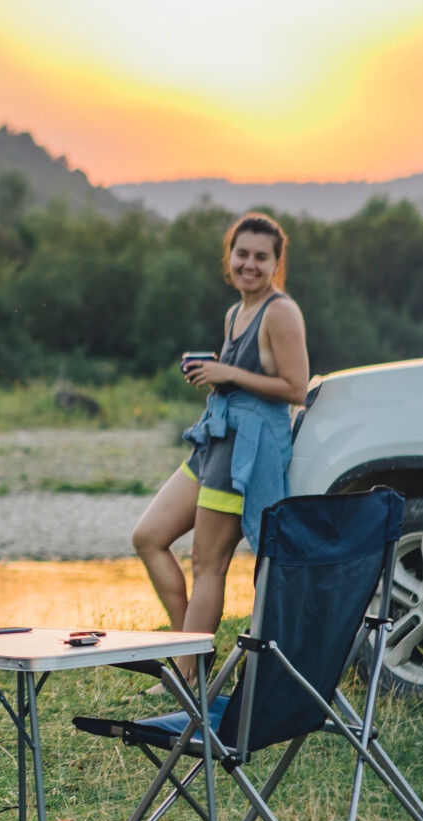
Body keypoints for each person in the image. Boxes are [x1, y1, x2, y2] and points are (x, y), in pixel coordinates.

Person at [131, 212, 309, 689]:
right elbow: (243, 381)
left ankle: (187, 674)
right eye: (242, 254)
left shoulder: (281, 312)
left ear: (276, 262)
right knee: (148, 537)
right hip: (216, 440)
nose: (249, 264)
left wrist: (227, 375)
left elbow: (295, 387)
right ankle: (189, 651)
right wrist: (210, 374)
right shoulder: (235, 313)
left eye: (260, 257)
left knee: (209, 564)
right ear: (229, 257)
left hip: (247, 452)